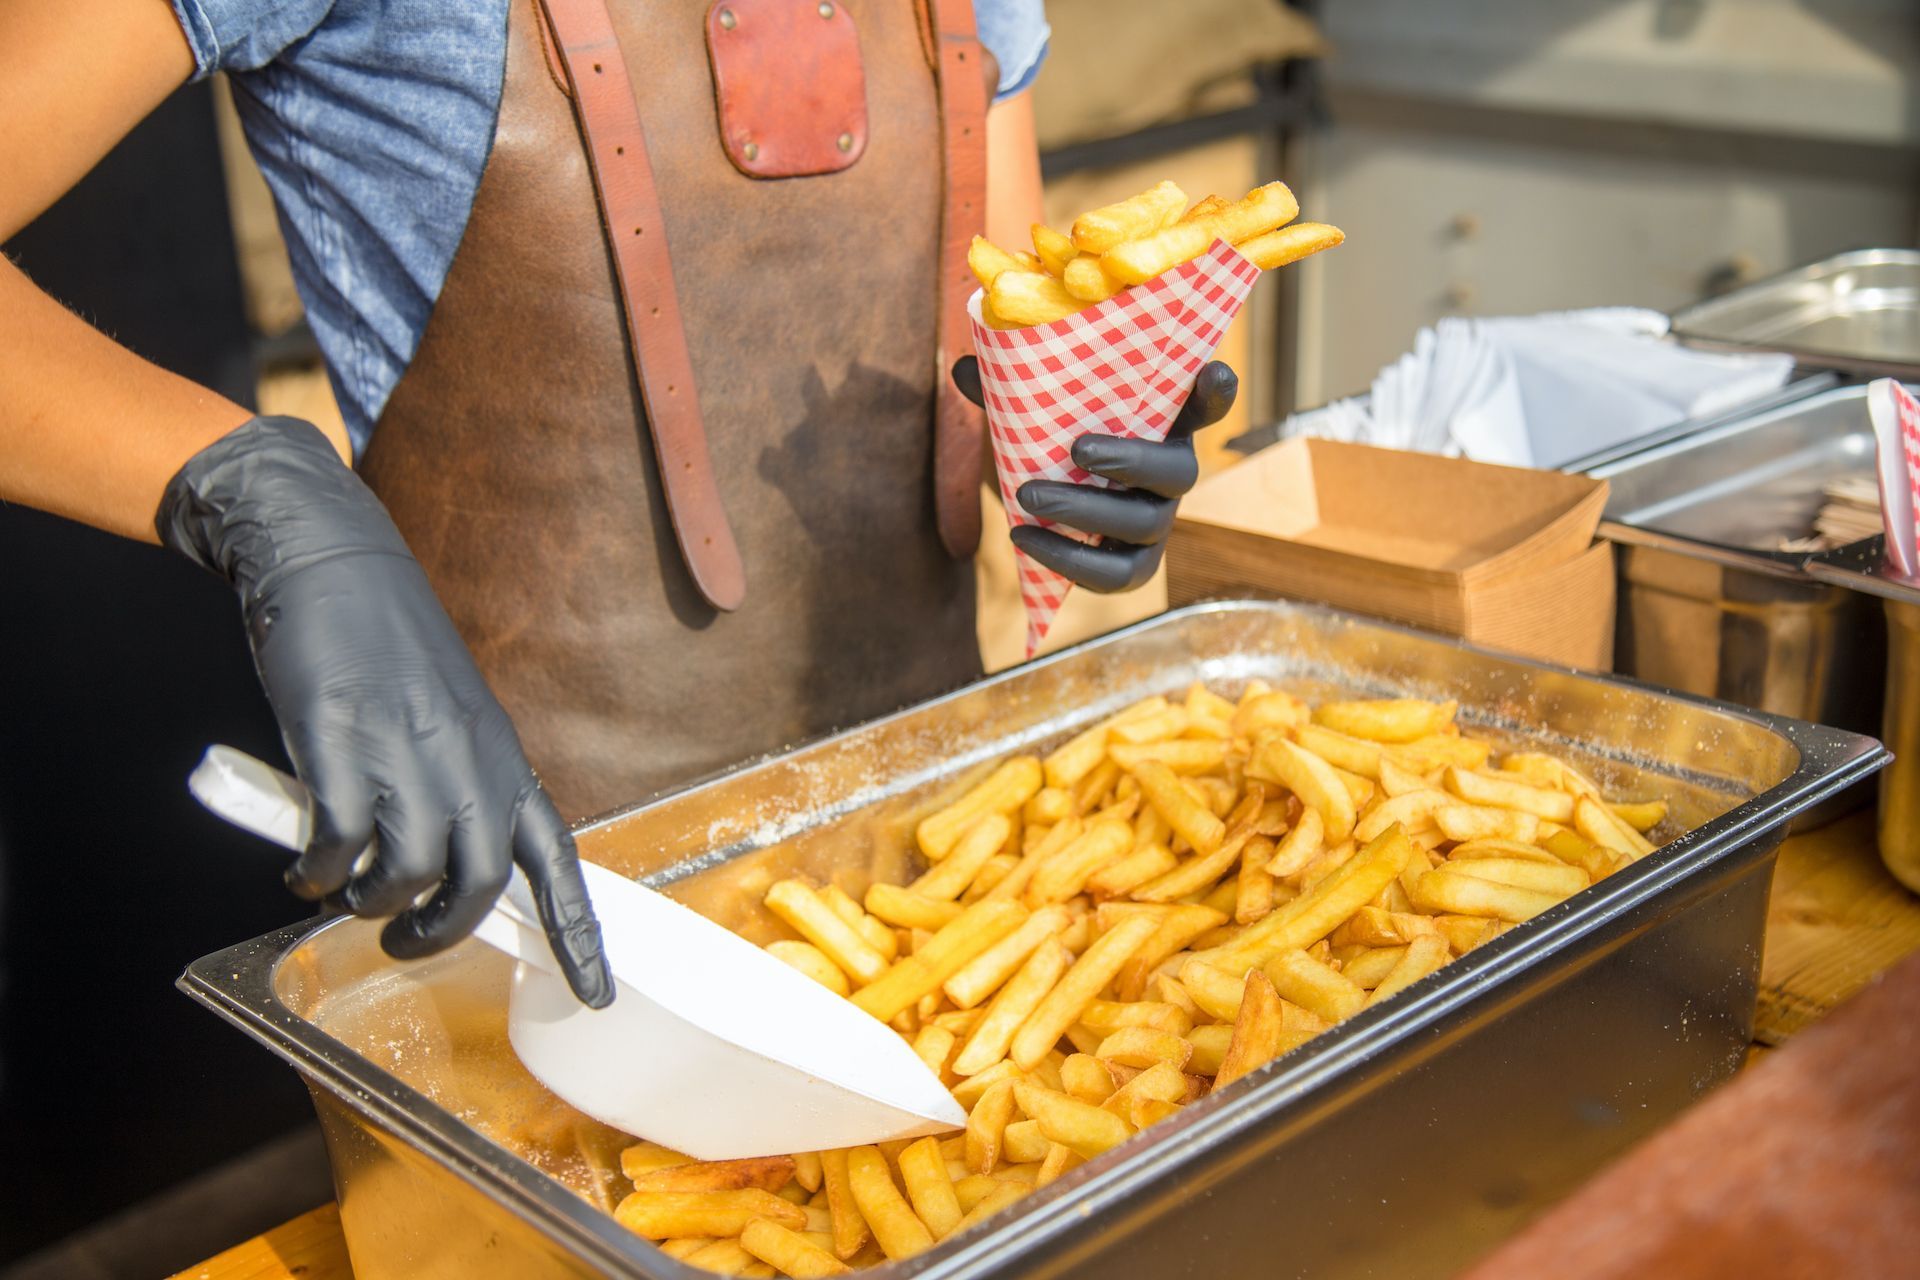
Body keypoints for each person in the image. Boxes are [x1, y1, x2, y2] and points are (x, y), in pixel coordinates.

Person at [0, 0, 1234, 1009]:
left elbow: (1001, 325)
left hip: (947, 909)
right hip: (529, 943)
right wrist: (256, 484)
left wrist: (1081, 444)